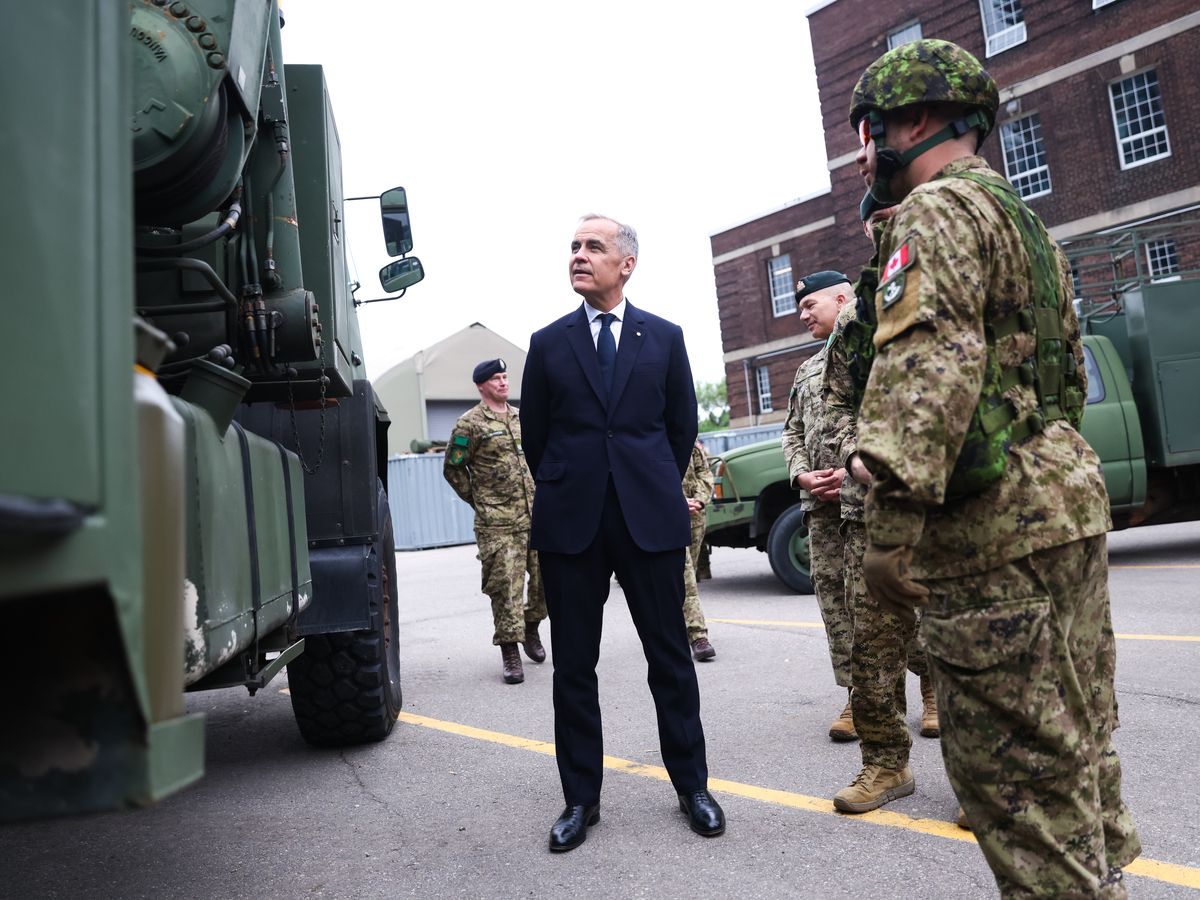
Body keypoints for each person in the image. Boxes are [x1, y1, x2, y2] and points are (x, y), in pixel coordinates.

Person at [849, 39, 1139, 896]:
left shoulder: (935, 214)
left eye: (869, 130)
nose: (865, 152)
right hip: (1062, 506)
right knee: (1079, 740)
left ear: (915, 120)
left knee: (1016, 786)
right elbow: (1065, 373)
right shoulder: (1023, 220)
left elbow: (925, 374)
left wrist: (890, 531)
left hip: (990, 536)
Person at [520, 214, 724, 852]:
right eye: (574, 247)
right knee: (574, 667)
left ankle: (692, 785)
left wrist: (643, 478)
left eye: (593, 247)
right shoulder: (548, 344)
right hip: (571, 523)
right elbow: (536, 438)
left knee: (669, 658)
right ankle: (581, 798)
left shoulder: (663, 337)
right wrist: (576, 480)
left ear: (626, 264)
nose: (579, 255)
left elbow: (679, 427)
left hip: (647, 519)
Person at [813, 258, 939, 819]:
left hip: (956, 511)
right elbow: (835, 400)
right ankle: (886, 764)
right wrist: (852, 452)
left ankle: (975, 775)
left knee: (964, 647)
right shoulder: (859, 315)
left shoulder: (960, 278)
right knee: (872, 648)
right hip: (872, 512)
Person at [781, 271, 857, 742]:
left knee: (892, 596)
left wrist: (853, 469)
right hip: (821, 506)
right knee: (836, 604)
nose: (804, 315)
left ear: (842, 297)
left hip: (868, 497)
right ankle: (858, 695)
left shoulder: (872, 352)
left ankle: (930, 688)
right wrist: (800, 474)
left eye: (811, 304)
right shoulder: (807, 369)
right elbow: (791, 432)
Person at [443, 358, 547, 685]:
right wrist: (481, 502)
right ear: (481, 385)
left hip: (537, 518)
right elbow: (454, 469)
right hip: (497, 525)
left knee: (548, 583)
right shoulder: (469, 424)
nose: (503, 382)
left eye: (505, 376)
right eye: (495, 378)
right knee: (505, 588)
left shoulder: (522, 418)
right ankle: (510, 651)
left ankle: (531, 625)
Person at [682, 438, 716, 661]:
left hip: (695, 517)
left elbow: (705, 473)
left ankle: (679, 627)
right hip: (666, 515)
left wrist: (700, 500)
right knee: (686, 578)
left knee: (689, 573)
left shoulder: (690, 443)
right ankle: (698, 635)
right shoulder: (651, 439)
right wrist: (676, 501)